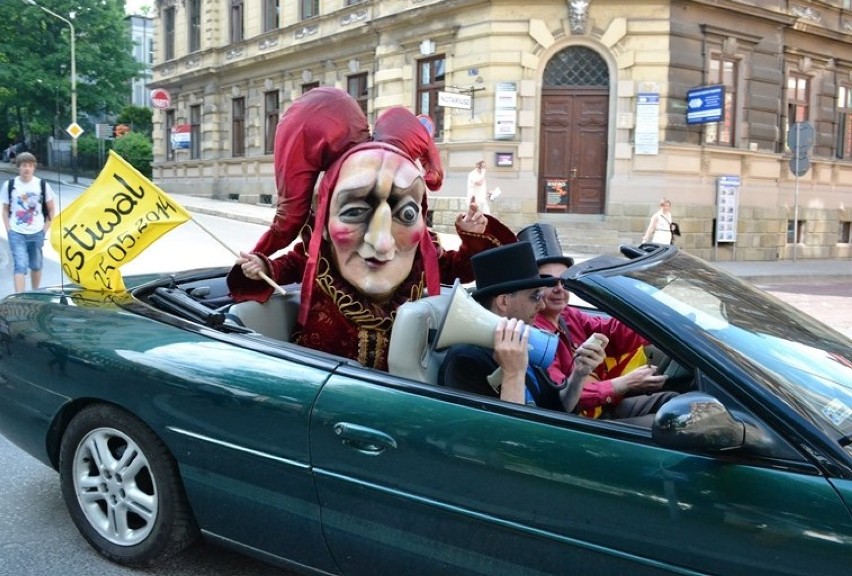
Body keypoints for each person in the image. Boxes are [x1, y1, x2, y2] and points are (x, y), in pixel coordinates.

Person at [228, 88, 516, 371]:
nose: (381, 242)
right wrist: (261, 265)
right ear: (325, 224)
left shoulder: (421, 256)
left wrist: (472, 237)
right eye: (354, 212)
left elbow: (464, 268)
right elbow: (287, 266)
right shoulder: (320, 257)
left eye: (405, 213)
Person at [518, 223, 678, 421]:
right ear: (533, 288)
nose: (559, 288)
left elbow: (617, 334)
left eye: (564, 280)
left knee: (674, 404)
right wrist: (624, 383)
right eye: (548, 281)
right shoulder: (535, 336)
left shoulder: (568, 315)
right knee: (670, 424)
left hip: (602, 408)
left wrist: (646, 292)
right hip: (584, 423)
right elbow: (560, 398)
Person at [438, 241, 605, 409]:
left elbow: (557, 409)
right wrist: (513, 374)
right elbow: (503, 433)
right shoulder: (466, 361)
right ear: (503, 302)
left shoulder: (523, 339)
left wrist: (579, 374)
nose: (542, 306)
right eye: (535, 297)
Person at [1, 152, 55, 292]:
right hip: (16, 233)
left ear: (34, 167)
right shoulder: (10, 185)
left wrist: (44, 230)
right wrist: (9, 230)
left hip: (37, 232)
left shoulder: (42, 185)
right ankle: (20, 297)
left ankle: (35, 293)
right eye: (24, 165)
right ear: (19, 167)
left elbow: (51, 210)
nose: (27, 168)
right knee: (20, 265)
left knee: (36, 265)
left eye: (30, 165)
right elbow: (5, 210)